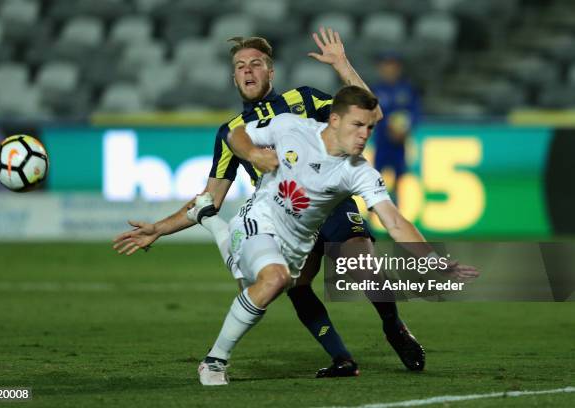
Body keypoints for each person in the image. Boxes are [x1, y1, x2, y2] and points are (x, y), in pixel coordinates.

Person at [113, 28, 422, 377]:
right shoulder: (232, 130)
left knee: (358, 261)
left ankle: (393, 326)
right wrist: (159, 228)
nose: (248, 71)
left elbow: (369, 112)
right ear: (234, 77)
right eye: (241, 66)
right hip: (284, 217)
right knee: (297, 285)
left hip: (331, 202)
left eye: (256, 64)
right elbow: (209, 198)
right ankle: (342, 359)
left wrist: (342, 64)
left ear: (270, 72)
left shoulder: (301, 101)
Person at [194, 85, 479, 385]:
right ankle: (213, 362)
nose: (364, 134)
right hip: (258, 220)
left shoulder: (358, 171)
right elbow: (235, 133)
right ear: (334, 121)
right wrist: (253, 153)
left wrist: (433, 260)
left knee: (265, 282)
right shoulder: (292, 127)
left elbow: (394, 220)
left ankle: (210, 221)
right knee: (273, 279)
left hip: (296, 244)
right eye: (357, 125)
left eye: (369, 128)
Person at [371, 52, 421, 202]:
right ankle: (372, 214)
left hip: (400, 142)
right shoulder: (375, 90)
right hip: (381, 141)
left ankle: (396, 210)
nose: (388, 69)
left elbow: (415, 113)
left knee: (399, 179)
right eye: (385, 66)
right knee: (375, 179)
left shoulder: (408, 90)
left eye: (392, 66)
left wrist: (405, 130)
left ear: (398, 68)